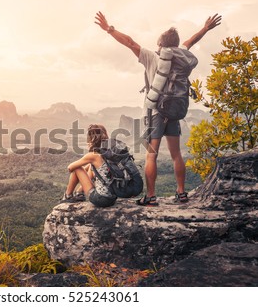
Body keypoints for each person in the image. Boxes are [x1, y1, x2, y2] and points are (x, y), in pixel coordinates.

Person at [94, 11, 222, 206]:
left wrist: (109, 29)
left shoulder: (152, 57)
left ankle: (151, 196)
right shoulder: (181, 56)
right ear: (176, 44)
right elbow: (190, 41)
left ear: (160, 44)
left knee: (151, 154)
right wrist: (205, 28)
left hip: (156, 112)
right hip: (175, 112)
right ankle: (181, 193)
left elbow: (130, 42)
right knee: (176, 154)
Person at [61, 124, 116, 207]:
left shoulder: (93, 155)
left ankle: (67, 196)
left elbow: (70, 168)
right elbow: (94, 167)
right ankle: (79, 193)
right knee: (91, 166)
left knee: (77, 168)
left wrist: (90, 150)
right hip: (112, 198)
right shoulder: (110, 151)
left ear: (92, 139)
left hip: (101, 199)